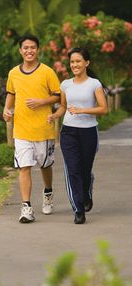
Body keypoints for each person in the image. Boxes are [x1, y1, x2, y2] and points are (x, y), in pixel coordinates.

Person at [3, 34, 60, 223]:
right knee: (24, 167)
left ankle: (48, 191)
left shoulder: (47, 72)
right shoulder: (13, 73)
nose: (29, 51)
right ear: (20, 50)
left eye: (32, 47)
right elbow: (11, 93)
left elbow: (59, 96)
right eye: (25, 48)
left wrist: (42, 101)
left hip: (43, 128)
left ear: (38, 50)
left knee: (45, 165)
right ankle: (26, 207)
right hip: (21, 129)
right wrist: (6, 109)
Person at [48, 47, 108, 224]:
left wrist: (83, 110)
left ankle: (87, 191)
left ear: (86, 63)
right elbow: (64, 107)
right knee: (73, 170)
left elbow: (104, 109)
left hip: (89, 132)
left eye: (78, 61)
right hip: (68, 132)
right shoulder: (66, 84)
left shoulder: (94, 84)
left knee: (84, 170)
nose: (74, 64)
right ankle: (78, 209)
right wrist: (54, 115)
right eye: (72, 61)